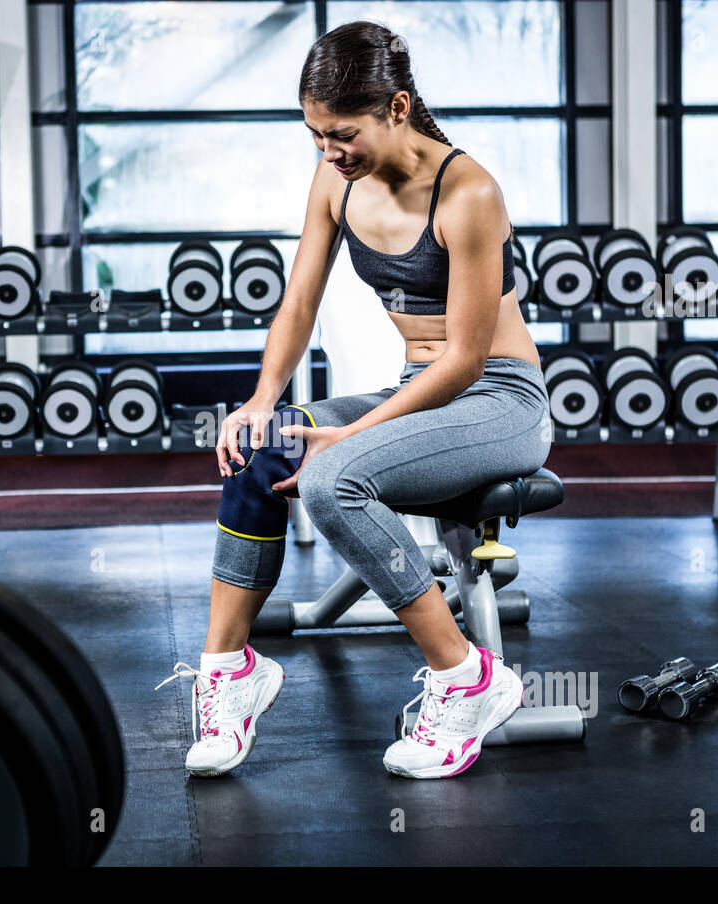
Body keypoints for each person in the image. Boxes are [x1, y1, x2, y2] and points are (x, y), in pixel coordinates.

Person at [155, 20, 552, 779]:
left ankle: (465, 678)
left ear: (397, 109)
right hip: (419, 391)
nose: (329, 152)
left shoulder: (468, 192)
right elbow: (299, 297)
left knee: (335, 478)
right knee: (265, 447)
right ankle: (230, 670)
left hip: (500, 400)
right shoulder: (336, 180)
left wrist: (356, 434)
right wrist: (260, 400)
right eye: (315, 136)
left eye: (342, 134)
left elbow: (466, 358)